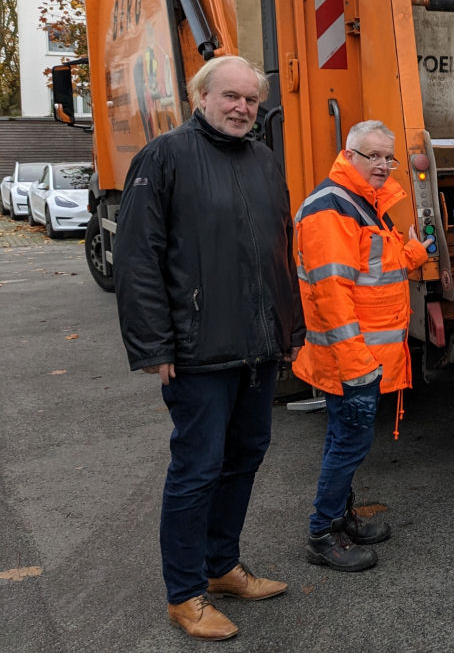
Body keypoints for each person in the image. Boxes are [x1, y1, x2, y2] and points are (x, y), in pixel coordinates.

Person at [114, 55, 305, 640]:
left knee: (245, 457)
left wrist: (289, 333)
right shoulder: (165, 157)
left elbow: (279, 251)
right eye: (231, 96)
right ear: (201, 95)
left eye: (251, 99)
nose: (242, 107)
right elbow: (137, 257)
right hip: (198, 350)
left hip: (258, 347)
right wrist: (155, 344)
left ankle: (221, 567)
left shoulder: (264, 161)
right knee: (197, 469)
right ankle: (184, 594)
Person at [293, 120, 428, 571]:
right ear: (348, 155)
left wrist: (415, 254)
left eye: (388, 157)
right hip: (352, 360)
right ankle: (321, 534)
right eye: (372, 155)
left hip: (361, 357)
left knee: (344, 440)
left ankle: (340, 517)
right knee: (348, 444)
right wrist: (357, 364)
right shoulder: (331, 210)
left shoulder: (364, 203)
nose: (383, 165)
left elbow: (375, 265)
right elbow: (331, 294)